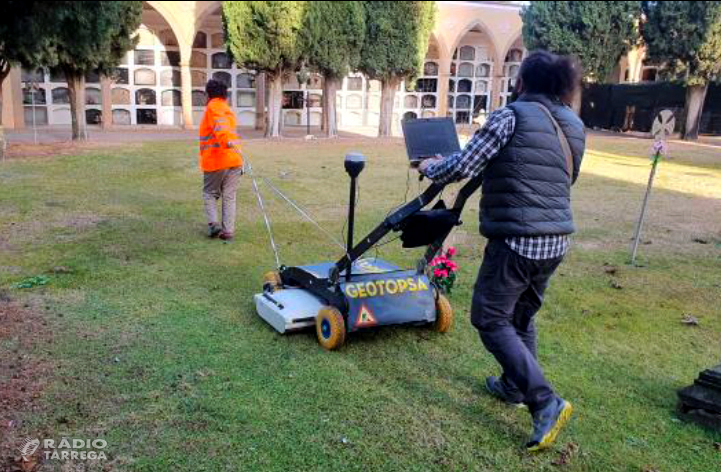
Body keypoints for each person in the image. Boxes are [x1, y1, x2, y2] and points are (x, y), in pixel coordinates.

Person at [419, 51, 585, 451]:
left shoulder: (509, 116)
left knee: (490, 318)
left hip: (516, 239)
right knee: (522, 316)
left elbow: (465, 165)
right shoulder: (574, 125)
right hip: (556, 238)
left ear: (521, 83)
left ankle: (544, 400)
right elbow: (567, 177)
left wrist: (430, 166)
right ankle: (515, 385)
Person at [199, 79, 243, 241]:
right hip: (235, 160)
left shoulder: (214, 106)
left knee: (209, 193)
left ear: (208, 94)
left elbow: (221, 127)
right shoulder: (227, 109)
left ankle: (213, 225)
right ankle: (228, 231)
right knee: (229, 196)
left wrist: (225, 141)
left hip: (217, 160)